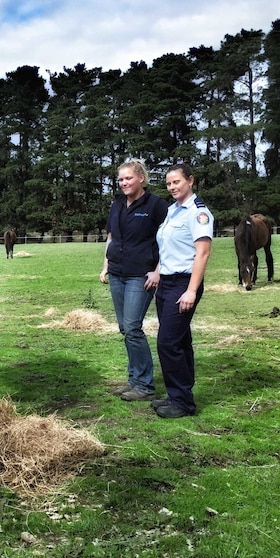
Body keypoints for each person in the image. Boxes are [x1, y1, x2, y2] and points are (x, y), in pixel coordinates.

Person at [100, 159, 168, 402]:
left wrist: (158, 270)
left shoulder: (156, 205)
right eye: (120, 179)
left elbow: (167, 240)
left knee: (132, 327)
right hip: (117, 273)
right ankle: (134, 379)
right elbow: (111, 237)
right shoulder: (117, 204)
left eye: (128, 178)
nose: (124, 183)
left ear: (141, 178)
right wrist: (105, 266)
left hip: (140, 275)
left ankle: (145, 385)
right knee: (124, 329)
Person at [151, 163, 213, 418]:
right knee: (180, 341)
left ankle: (183, 403)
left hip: (183, 284)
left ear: (190, 181)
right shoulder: (171, 211)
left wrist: (191, 291)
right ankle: (179, 395)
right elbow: (166, 247)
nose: (172, 187)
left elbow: (203, 252)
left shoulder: (198, 214)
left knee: (167, 343)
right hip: (166, 282)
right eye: (168, 183)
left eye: (176, 182)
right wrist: (157, 271)